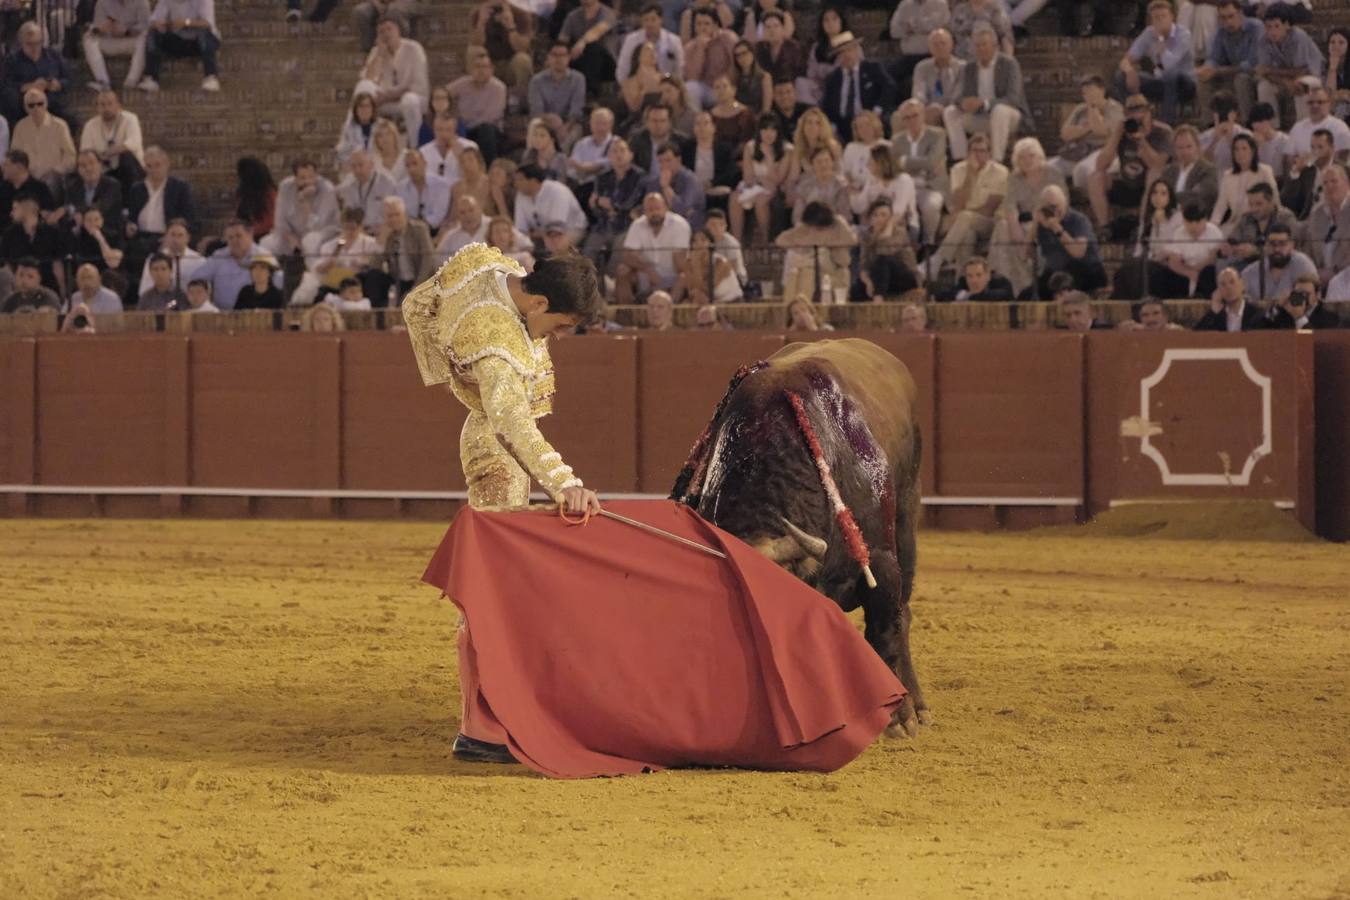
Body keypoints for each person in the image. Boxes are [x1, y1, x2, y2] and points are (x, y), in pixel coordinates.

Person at [990, 137, 1066, 298]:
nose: (1027, 160)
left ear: (1040, 156)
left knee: (1023, 239)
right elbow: (1010, 206)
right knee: (1002, 227)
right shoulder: (1014, 177)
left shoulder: (1053, 173)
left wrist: (1038, 222)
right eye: (1022, 157)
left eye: (1031, 155)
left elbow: (1062, 204)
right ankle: (1007, 284)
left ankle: (1026, 287)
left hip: (1047, 220)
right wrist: (1016, 231)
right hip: (1022, 222)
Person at [944, 24, 1029, 163]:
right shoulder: (968, 67)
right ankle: (961, 160)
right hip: (979, 116)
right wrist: (963, 102)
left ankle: (996, 161)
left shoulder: (1009, 64)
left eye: (984, 44)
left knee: (999, 110)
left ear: (995, 46)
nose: (980, 49)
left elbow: (1013, 98)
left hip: (1009, 115)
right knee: (950, 112)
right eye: (977, 45)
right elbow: (956, 95)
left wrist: (985, 103)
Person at [1088, 94, 1173, 231]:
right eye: (1132, 113)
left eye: (1141, 112)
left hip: (1151, 188)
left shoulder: (1162, 132)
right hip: (1128, 183)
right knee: (1095, 177)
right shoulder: (1123, 131)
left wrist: (1142, 141)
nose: (1137, 117)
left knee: (1154, 174)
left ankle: (1143, 227)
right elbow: (1101, 165)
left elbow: (1158, 165)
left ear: (1149, 113)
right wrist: (1116, 135)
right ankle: (1106, 228)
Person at [931, 132, 1006, 274]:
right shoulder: (958, 170)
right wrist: (970, 175)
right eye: (974, 150)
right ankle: (963, 279)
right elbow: (958, 204)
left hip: (989, 223)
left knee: (965, 217)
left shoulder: (1000, 172)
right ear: (968, 153)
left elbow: (989, 209)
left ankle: (939, 259)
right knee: (966, 235)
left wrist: (964, 216)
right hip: (964, 224)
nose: (978, 155)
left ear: (989, 153)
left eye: (982, 151)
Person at [1115, 0, 1196, 125]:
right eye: (1156, 18)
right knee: (1121, 76)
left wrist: (1161, 40)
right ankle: (1132, 118)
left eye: (1163, 16)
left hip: (1184, 84)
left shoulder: (1183, 34)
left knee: (1170, 75)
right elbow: (1126, 60)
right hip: (1161, 81)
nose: (1160, 21)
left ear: (1172, 17)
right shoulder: (1148, 33)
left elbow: (1169, 65)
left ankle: (1168, 123)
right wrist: (1129, 71)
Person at [353, 18, 428, 140]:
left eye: (389, 29)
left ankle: (415, 144)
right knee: (363, 86)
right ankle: (357, 138)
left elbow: (415, 85)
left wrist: (388, 96)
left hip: (414, 99)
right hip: (385, 102)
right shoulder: (376, 51)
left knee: (409, 100)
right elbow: (368, 80)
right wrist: (379, 56)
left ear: (398, 31)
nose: (386, 34)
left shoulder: (414, 48)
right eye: (382, 32)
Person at [1051, 74, 1125, 192]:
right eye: (1084, 93)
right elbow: (1065, 134)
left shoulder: (1114, 108)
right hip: (1078, 151)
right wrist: (1087, 128)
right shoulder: (1080, 109)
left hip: (1102, 152)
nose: (1088, 96)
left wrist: (1092, 111)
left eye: (1091, 91)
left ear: (1102, 90)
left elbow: (1100, 131)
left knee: (1082, 170)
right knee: (1049, 168)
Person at [1255, 3, 1323, 127]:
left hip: (1312, 74)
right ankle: (1271, 128)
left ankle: (1303, 126)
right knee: (1264, 87)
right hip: (1284, 78)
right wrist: (1285, 82)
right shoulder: (1263, 41)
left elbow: (1301, 70)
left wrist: (1272, 71)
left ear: (1286, 25)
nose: (1272, 31)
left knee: (1301, 84)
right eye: (1268, 27)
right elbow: (1264, 72)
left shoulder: (1298, 36)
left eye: (1276, 26)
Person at [1033, 183, 1107, 297]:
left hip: (1086, 271)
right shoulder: (1043, 224)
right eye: (1047, 208)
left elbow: (1078, 253)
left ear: (1065, 203)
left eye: (1054, 206)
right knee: (1030, 293)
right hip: (1056, 274)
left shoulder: (1079, 220)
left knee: (1066, 277)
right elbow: (1025, 254)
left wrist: (1056, 228)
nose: (1052, 211)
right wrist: (1035, 223)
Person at [616, 191, 691, 303]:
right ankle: (627, 309)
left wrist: (661, 282)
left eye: (657, 208)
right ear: (644, 211)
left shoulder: (679, 224)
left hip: (671, 276)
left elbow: (681, 264)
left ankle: (669, 307)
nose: (654, 212)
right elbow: (628, 256)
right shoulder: (638, 225)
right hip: (645, 275)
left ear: (666, 208)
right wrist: (648, 270)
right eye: (650, 209)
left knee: (683, 276)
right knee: (622, 270)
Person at [821, 31, 896, 142]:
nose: (846, 55)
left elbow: (890, 87)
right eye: (841, 53)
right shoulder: (833, 78)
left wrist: (877, 110)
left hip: (870, 118)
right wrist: (831, 126)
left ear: (857, 50)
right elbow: (826, 105)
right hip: (842, 125)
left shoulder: (872, 68)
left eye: (849, 50)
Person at [776, 200, 856, 303]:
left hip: (835, 267)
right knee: (797, 265)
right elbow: (780, 240)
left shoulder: (838, 222)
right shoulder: (806, 226)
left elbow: (852, 240)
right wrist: (804, 243)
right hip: (812, 265)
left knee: (820, 257)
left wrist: (826, 244)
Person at [263, 158, 340, 264]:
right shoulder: (285, 187)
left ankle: (313, 273)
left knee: (309, 240)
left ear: (316, 175)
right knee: (266, 243)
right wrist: (290, 238)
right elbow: (279, 220)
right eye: (302, 178)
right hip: (293, 234)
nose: (307, 181)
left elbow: (317, 226)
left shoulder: (327, 189)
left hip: (324, 233)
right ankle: (274, 274)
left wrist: (304, 202)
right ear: (295, 178)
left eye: (311, 177)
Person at [729, 112, 792, 242]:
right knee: (734, 198)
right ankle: (737, 242)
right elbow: (747, 177)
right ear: (759, 131)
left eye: (773, 129)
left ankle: (765, 241)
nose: (769, 133)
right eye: (765, 129)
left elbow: (778, 179)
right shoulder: (750, 147)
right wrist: (761, 180)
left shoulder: (787, 149)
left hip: (775, 189)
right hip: (755, 185)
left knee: (761, 201)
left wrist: (768, 158)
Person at [194, 219, 282, 310]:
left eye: (239, 236)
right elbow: (197, 279)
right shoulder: (218, 257)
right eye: (230, 238)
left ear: (250, 235)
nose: (235, 240)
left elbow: (279, 284)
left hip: (255, 314)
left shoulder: (263, 256)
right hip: (221, 314)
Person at [1197, 0, 1262, 121]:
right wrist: (1207, 68)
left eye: (1231, 16)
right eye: (1223, 18)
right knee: (1204, 80)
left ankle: (1247, 122)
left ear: (1240, 13)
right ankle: (1210, 124)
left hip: (1256, 73)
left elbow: (1251, 64)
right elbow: (1214, 58)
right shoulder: (1221, 31)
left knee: (1241, 79)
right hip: (1232, 73)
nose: (1228, 22)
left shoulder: (1255, 28)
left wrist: (1218, 71)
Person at [139, 0, 221, 92]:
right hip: (178, 40)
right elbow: (153, 20)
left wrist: (186, 23)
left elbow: (207, 23)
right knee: (153, 33)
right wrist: (159, 24)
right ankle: (151, 78)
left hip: (199, 42)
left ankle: (211, 77)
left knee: (204, 32)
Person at [585, 138, 644, 265]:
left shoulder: (639, 176)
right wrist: (601, 205)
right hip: (603, 225)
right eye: (614, 151)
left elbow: (631, 203)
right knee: (586, 257)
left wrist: (612, 206)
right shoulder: (602, 177)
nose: (618, 154)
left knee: (617, 259)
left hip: (626, 226)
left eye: (622, 150)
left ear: (631, 155)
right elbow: (595, 206)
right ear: (609, 156)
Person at [1, 22, 71, 126]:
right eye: (29, 44)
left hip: (51, 102)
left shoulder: (53, 56)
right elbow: (5, 85)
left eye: (38, 43)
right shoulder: (12, 60)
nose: (34, 48)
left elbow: (67, 79)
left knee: (71, 119)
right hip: (23, 105)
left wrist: (58, 84)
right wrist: (28, 86)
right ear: (21, 43)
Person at [1219, 181, 1295, 271]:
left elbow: (1290, 249)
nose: (1253, 209)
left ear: (1271, 202)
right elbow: (1233, 239)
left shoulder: (1286, 218)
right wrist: (1228, 246)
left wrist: (1256, 251)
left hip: (1277, 264)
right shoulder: (1246, 218)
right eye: (1250, 204)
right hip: (1248, 266)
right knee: (1224, 266)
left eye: (1258, 204)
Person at [853, 199, 919, 301]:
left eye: (883, 215)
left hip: (903, 277)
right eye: (875, 215)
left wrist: (888, 227)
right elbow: (863, 265)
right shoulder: (867, 236)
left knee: (882, 260)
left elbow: (885, 253)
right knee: (857, 288)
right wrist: (868, 282)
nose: (879, 218)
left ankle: (878, 299)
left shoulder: (900, 232)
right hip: (879, 277)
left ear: (891, 218)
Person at [469, 0, 534, 103]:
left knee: (523, 59)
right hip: (488, 65)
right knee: (473, 51)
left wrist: (511, 26)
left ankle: (522, 102)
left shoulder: (521, 13)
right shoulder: (479, 12)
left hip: (511, 65)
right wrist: (481, 23)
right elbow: (476, 44)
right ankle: (478, 98)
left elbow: (522, 48)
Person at [449, 50, 508, 163]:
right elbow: (443, 93)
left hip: (490, 132)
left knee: (486, 129)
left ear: (492, 69)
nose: (481, 71)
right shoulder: (463, 84)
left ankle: (488, 167)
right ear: (470, 70)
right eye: (477, 67)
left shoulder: (499, 88)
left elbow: (491, 117)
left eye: (484, 67)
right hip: (465, 129)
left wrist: (466, 120)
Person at [10, 90, 76, 188]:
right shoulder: (20, 127)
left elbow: (70, 157)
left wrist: (57, 171)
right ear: (25, 108)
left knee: (50, 183)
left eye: (40, 104)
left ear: (46, 104)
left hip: (54, 179)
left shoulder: (60, 126)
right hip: (27, 178)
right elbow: (14, 156)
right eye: (31, 105)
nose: (36, 108)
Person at [1210, 133, 1277, 230]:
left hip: (1258, 223)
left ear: (1253, 151)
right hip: (1234, 224)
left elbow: (1274, 200)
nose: (1240, 153)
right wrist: (1212, 226)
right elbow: (1220, 206)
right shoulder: (1228, 175)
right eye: (1236, 149)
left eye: (1244, 148)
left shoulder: (1264, 171)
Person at [79, 90, 144, 189]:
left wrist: (111, 151)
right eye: (102, 105)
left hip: (129, 170)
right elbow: (85, 150)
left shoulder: (130, 119)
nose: (106, 108)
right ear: (97, 107)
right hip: (103, 170)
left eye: (110, 104)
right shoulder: (90, 125)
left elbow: (134, 142)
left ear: (118, 105)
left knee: (126, 157)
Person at [888, 0, 950, 102]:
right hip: (909, 57)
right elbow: (894, 31)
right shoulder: (904, 5)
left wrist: (911, 27)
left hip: (931, 55)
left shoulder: (940, 4)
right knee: (888, 75)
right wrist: (923, 27)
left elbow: (940, 27)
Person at [512, 163, 587, 246]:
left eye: (520, 180)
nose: (515, 184)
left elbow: (556, 227)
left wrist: (534, 233)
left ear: (533, 181)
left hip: (570, 230)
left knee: (557, 242)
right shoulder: (521, 195)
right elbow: (521, 228)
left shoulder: (557, 191)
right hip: (540, 234)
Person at [83, 0, 151, 92]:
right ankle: (103, 82)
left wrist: (127, 31)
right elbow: (97, 26)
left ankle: (131, 82)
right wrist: (101, 29)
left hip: (131, 41)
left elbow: (145, 27)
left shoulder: (142, 2)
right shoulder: (102, 2)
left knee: (144, 39)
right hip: (110, 40)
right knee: (88, 38)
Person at [1239, 221, 1314, 302]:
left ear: (1291, 245)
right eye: (1272, 244)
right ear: (1265, 246)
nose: (1277, 249)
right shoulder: (1251, 272)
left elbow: (1312, 297)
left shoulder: (1303, 265)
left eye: (1282, 244)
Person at [0, 195, 63, 292]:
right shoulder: (9, 234)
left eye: (15, 209)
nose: (11, 213)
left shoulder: (51, 233)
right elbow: (6, 265)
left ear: (26, 210)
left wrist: (62, 289)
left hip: (47, 287)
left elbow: (57, 264)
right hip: (18, 290)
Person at [529, 42, 586, 148]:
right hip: (545, 122)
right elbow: (536, 110)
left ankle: (560, 156)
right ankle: (532, 156)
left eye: (562, 55)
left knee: (573, 132)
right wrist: (551, 120)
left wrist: (565, 126)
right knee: (534, 124)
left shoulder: (578, 79)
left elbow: (576, 109)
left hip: (570, 123)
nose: (558, 59)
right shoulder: (536, 81)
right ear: (548, 58)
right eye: (554, 55)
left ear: (568, 58)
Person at [55, 150, 123, 234]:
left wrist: (75, 210)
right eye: (83, 165)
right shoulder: (72, 187)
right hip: (80, 232)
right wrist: (71, 214)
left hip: (106, 232)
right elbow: (67, 212)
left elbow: (100, 207)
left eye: (92, 163)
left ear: (100, 165)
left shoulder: (112, 185)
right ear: (78, 170)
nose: (88, 168)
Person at [1303, 162, 1350, 282]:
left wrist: (1335, 272)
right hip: (1318, 278)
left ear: (1347, 184)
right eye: (1325, 183)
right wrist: (1312, 272)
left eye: (1334, 181)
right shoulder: (1316, 213)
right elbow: (1308, 247)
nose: (1329, 186)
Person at [1157, 125, 1218, 217]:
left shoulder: (1207, 170)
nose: (1184, 152)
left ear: (1197, 147)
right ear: (1174, 149)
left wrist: (1169, 199)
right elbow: (1159, 195)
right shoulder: (1169, 171)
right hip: (1168, 218)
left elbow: (1200, 196)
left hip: (1196, 218)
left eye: (1189, 147)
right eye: (1180, 148)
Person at [684, 8, 737, 109]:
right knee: (690, 87)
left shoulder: (728, 38)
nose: (702, 28)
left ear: (715, 25)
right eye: (699, 24)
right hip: (706, 87)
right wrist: (700, 49)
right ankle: (698, 117)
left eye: (707, 24)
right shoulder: (690, 47)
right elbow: (692, 77)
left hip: (726, 85)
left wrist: (728, 82)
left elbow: (735, 63)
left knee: (724, 87)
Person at [911, 27, 963, 129]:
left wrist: (942, 109)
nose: (939, 47)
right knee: (899, 116)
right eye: (935, 44)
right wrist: (920, 108)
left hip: (953, 109)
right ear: (930, 48)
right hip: (927, 109)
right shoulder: (922, 67)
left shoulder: (962, 67)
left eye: (943, 43)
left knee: (934, 112)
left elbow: (958, 95)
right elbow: (918, 92)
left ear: (951, 45)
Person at [617, 4, 685, 81]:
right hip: (638, 83)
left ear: (661, 20)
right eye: (646, 20)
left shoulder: (674, 41)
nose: (649, 24)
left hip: (665, 82)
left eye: (653, 20)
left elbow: (680, 69)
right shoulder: (631, 40)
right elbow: (623, 68)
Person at [559, 0, 617, 88]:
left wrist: (582, 42)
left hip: (606, 63)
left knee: (593, 48)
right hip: (579, 57)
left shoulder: (607, 13)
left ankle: (591, 90)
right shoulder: (572, 16)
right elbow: (562, 40)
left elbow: (598, 31)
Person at [136, 218, 203, 295]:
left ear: (188, 238)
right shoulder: (154, 259)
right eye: (172, 235)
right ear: (166, 237)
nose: (176, 240)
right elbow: (144, 290)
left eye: (180, 235)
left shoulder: (199, 261)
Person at [1281, 126, 1335, 219]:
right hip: (1307, 220)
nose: (1315, 152)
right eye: (1312, 147)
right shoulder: (1307, 172)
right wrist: (1295, 172)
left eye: (1320, 147)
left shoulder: (1343, 170)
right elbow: (1287, 202)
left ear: (1332, 148)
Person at [678, 228, 742, 303]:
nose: (699, 244)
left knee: (698, 296)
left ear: (711, 243)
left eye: (703, 240)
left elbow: (708, 290)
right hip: (707, 301)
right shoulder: (688, 264)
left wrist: (696, 266)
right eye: (694, 241)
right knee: (689, 299)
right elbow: (691, 291)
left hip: (731, 302)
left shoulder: (721, 263)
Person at [338, 149, 398, 229]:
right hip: (358, 230)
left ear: (371, 165)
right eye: (353, 166)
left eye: (360, 165)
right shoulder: (349, 186)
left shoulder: (387, 183)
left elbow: (394, 214)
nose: (357, 170)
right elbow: (348, 213)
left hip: (383, 229)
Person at [398, 148, 451, 236]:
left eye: (415, 163)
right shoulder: (400, 188)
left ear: (424, 164)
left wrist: (419, 226)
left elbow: (438, 215)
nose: (412, 169)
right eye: (408, 166)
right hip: (408, 231)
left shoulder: (441, 185)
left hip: (434, 231)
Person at [0, 150, 56, 233]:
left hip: (30, 234)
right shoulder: (3, 187)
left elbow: (48, 213)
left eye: (6, 165)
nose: (2, 168)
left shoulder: (40, 188)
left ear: (19, 167)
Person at [790, 145, 847, 225]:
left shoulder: (840, 185)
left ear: (832, 162)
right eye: (819, 162)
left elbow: (844, 215)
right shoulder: (805, 184)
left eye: (827, 160)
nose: (823, 165)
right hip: (809, 226)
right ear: (812, 165)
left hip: (834, 226)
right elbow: (797, 215)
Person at [1289, 86, 1350, 158]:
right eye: (1311, 102)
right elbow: (1290, 158)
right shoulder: (1297, 128)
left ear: (1329, 104)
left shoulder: (1339, 127)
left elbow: (1343, 159)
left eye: (1320, 102)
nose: (1315, 106)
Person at [802, 6, 846, 105]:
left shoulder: (851, 45)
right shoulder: (816, 47)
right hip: (818, 90)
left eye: (834, 19)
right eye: (826, 20)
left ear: (841, 21)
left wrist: (823, 70)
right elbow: (811, 73)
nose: (830, 23)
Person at [420, 112, 479, 185]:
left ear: (455, 130)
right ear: (433, 130)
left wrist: (461, 156)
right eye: (439, 130)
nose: (444, 134)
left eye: (448, 130)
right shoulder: (423, 152)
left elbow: (476, 176)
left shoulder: (470, 147)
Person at [1197, 264, 1263, 329]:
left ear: (1242, 285)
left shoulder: (1256, 314)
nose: (1228, 287)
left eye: (1232, 282)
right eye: (1223, 284)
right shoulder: (1217, 314)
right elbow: (1197, 334)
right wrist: (1214, 312)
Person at [1264, 271, 1339, 328]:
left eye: (1306, 294)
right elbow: (1262, 328)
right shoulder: (1286, 313)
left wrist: (1299, 318)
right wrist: (1277, 307)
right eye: (1298, 293)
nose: (1301, 297)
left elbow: (1314, 340)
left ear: (1317, 295)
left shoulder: (1328, 318)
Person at [949, 0, 1013, 59]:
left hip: (989, 61)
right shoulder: (959, 10)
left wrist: (1007, 61)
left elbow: (1006, 37)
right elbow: (950, 36)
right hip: (961, 60)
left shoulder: (995, 10)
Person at [1249, 100, 1295, 180]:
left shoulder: (1283, 140)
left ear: (1270, 120)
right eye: (1254, 122)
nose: (1257, 125)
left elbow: (1289, 169)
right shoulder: (1250, 141)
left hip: (1280, 180)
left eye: (1261, 121)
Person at [1118, 297, 1185, 330]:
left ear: (1166, 316)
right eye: (1145, 315)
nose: (1151, 318)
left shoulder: (1178, 332)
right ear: (1140, 319)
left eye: (1156, 313)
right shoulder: (1134, 331)